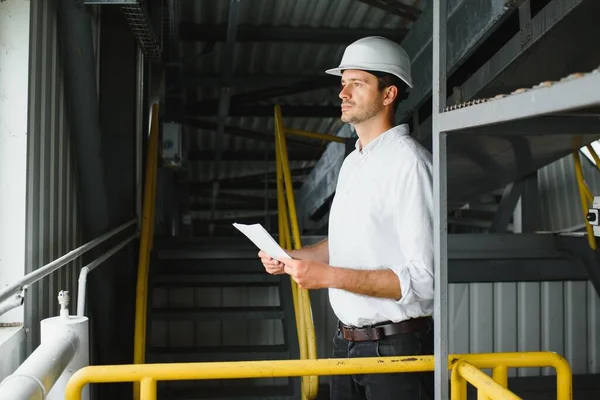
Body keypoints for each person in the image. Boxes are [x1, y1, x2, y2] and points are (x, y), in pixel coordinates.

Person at [259, 36, 434, 400]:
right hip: (347, 346)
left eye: (358, 83)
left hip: (397, 352)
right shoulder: (353, 161)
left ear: (388, 95)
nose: (343, 93)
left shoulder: (409, 163)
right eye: (343, 83)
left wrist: (328, 278)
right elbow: (346, 244)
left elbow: (426, 280)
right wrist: (291, 256)